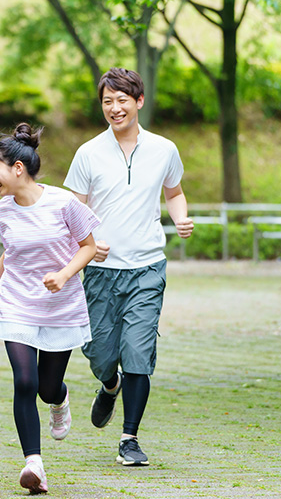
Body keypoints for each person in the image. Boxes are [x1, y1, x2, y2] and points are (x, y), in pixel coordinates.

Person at [63, 67, 194, 467]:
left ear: (138, 102)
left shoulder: (164, 149)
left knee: (138, 352)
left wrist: (180, 217)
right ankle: (109, 384)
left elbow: (174, 192)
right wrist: (87, 244)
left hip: (147, 267)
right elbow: (73, 209)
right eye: (107, 101)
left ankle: (129, 438)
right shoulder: (88, 152)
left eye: (122, 100)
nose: (115, 108)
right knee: (101, 353)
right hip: (101, 270)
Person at [0, 123, 99, 494]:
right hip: (18, 302)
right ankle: (34, 465)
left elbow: (89, 246)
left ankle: (59, 398)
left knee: (46, 387)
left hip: (61, 304)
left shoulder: (63, 202)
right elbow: (11, 254)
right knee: (25, 380)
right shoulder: (4, 209)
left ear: (17, 169)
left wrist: (64, 273)